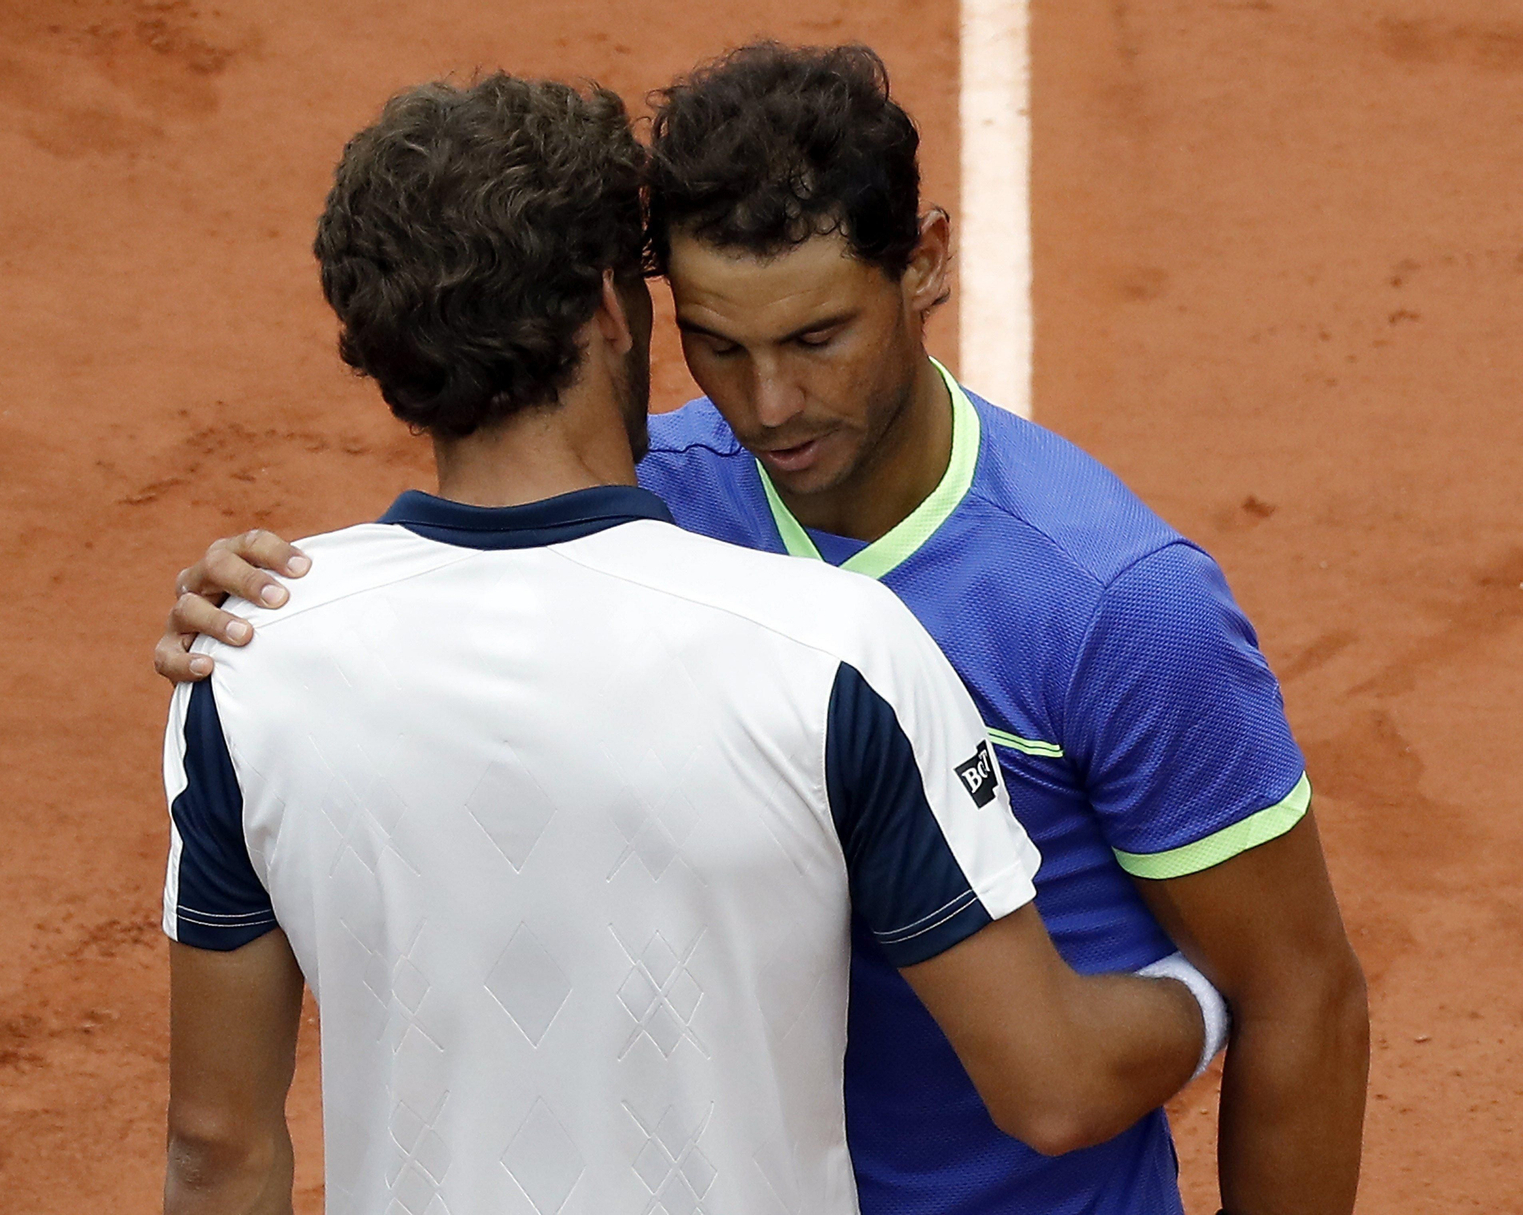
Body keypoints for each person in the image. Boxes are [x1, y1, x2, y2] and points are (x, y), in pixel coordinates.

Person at [158, 45, 1370, 1215]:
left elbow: (1302, 1002)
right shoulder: (659, 505)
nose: (768, 405)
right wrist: (254, 599)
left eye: (818, 338)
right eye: (717, 345)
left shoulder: (1114, 604)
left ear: (927, 263)